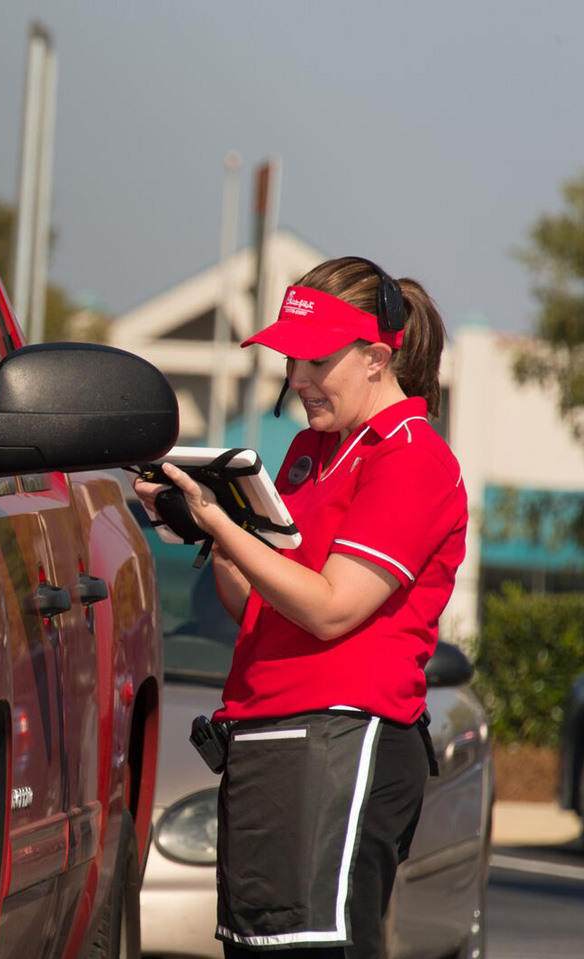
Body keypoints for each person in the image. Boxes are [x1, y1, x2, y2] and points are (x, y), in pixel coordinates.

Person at [135, 257, 466, 958]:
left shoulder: (412, 458)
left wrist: (224, 526)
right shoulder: (310, 450)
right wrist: (206, 525)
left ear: (377, 356)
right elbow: (257, 605)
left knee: (319, 947)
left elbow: (331, 609)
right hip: (271, 736)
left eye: (315, 359)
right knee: (258, 945)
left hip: (345, 740)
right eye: (291, 359)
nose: (297, 378)